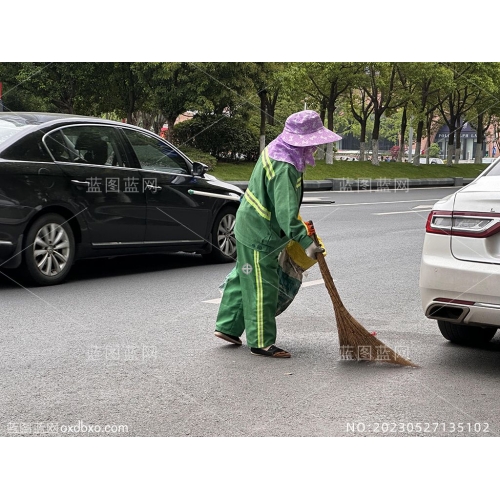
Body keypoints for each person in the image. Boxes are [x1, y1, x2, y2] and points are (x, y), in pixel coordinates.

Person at [213, 110, 341, 358]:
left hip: (248, 226)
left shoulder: (278, 147)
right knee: (263, 286)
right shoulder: (286, 167)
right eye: (314, 143)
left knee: (245, 276)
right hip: (260, 235)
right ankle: (261, 341)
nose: (315, 148)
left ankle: (227, 327)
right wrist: (307, 242)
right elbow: (286, 213)